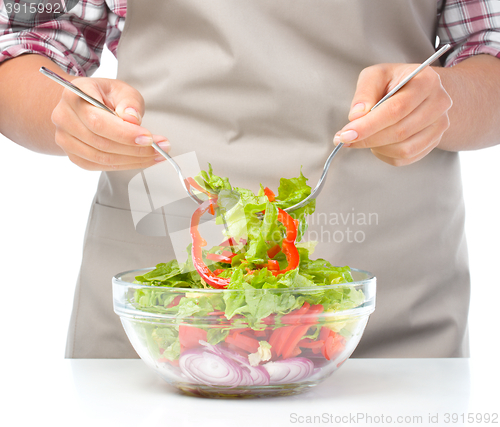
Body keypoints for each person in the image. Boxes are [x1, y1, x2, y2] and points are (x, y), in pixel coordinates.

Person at [1, 0, 499, 359]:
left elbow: (489, 52)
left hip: (393, 303)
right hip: (159, 310)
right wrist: (68, 117)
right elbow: (25, 43)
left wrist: (441, 106)